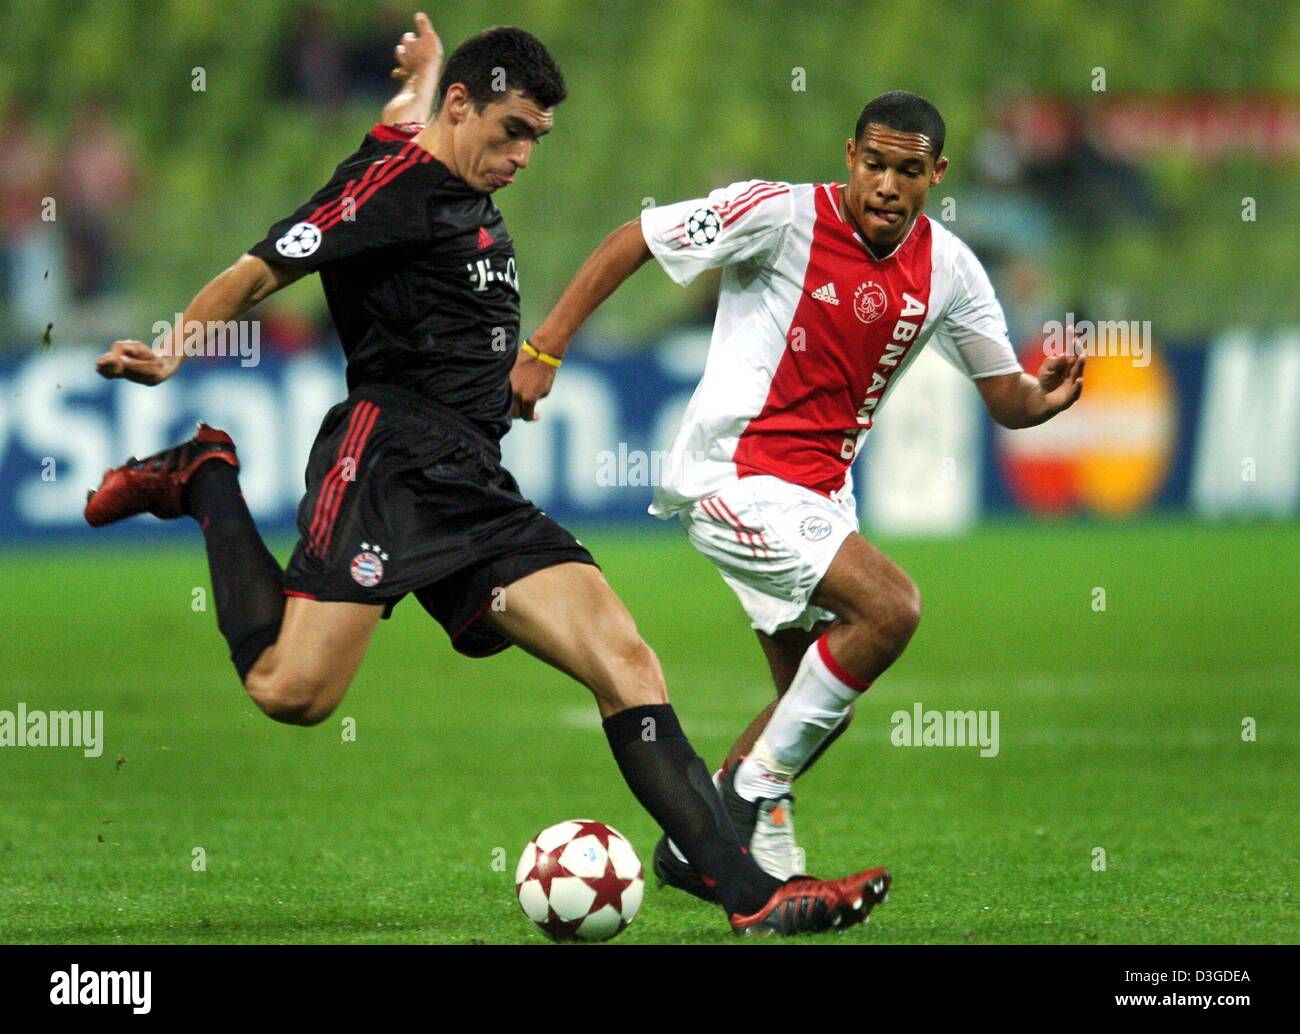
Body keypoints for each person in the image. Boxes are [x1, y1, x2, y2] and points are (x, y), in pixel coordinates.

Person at [84, 16, 889, 935]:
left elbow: (402, 120)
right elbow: (261, 269)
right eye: (512, 131)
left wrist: (423, 74)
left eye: (537, 139)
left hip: (475, 476)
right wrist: (175, 344)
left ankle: (753, 897)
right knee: (293, 694)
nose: (522, 156)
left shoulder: (428, 139)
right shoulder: (387, 189)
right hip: (389, 462)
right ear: (465, 108)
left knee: (623, 656)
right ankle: (206, 477)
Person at [512, 90, 1085, 899]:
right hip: (732, 480)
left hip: (819, 500)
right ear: (851, 156)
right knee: (890, 610)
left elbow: (1007, 398)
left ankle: (708, 846)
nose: (888, 185)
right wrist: (546, 346)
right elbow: (637, 237)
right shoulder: (777, 215)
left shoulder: (950, 267)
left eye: (908, 171)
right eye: (875, 164)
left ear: (937, 175)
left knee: (816, 699)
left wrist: (1045, 396)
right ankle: (749, 794)